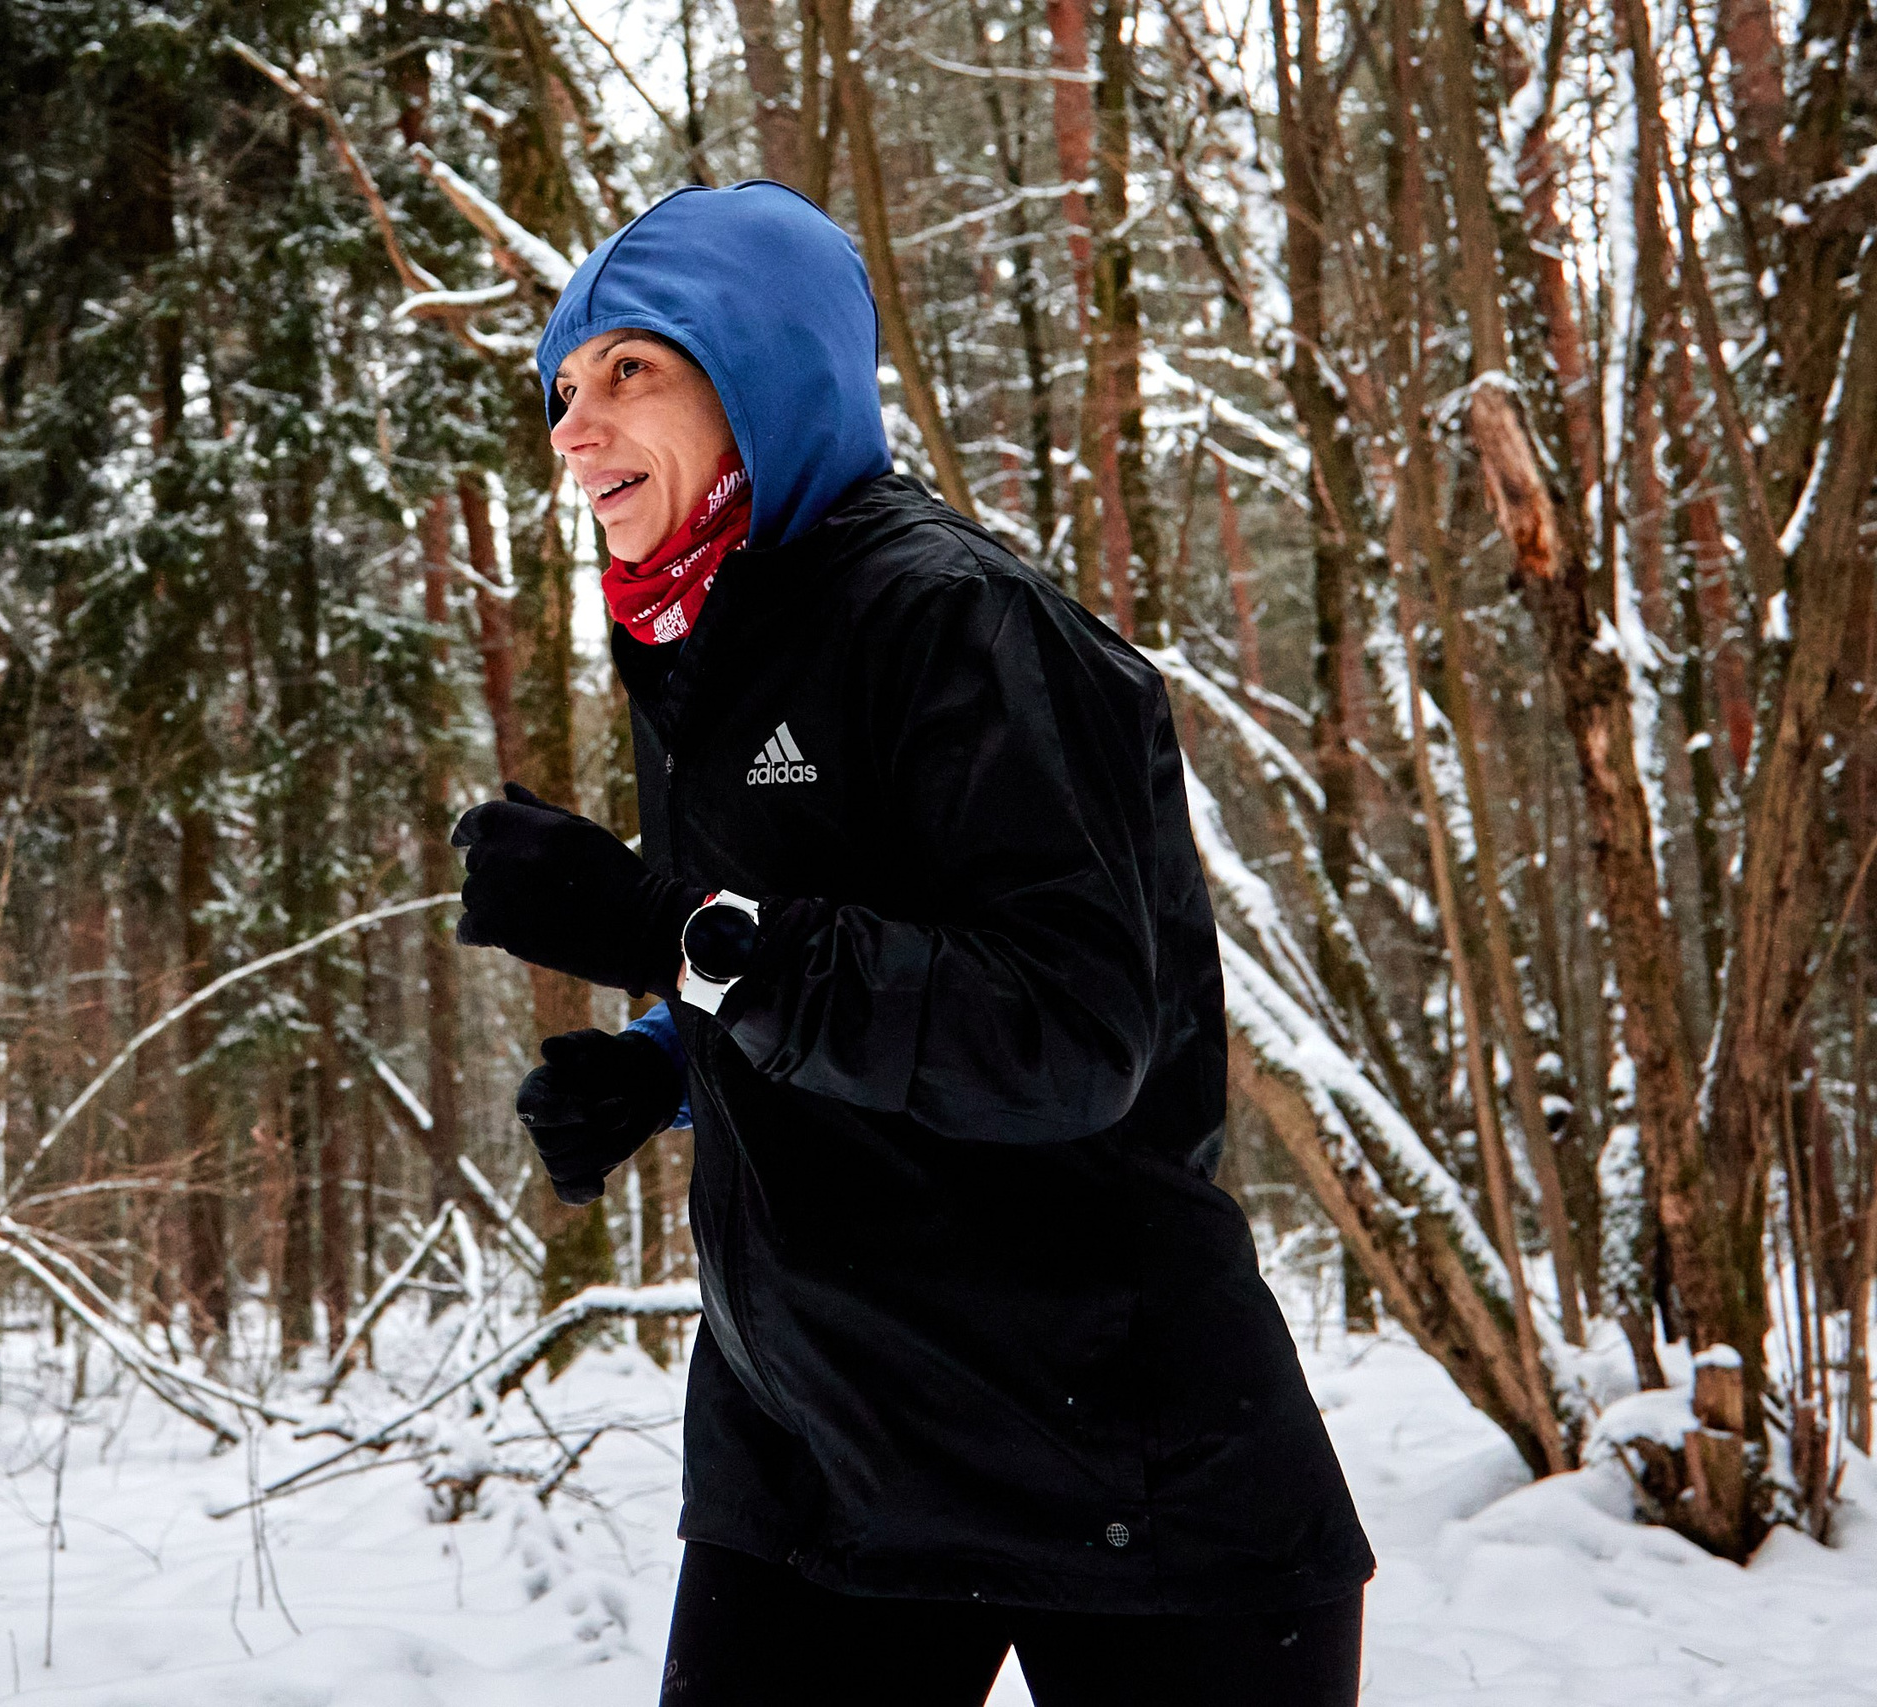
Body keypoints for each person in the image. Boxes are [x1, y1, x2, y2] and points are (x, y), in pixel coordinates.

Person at [449, 181, 1372, 1707]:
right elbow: (842, 944)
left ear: (765, 372)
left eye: (630, 371)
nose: (571, 429)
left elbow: (1064, 1036)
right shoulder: (705, 637)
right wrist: (668, 1063)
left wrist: (662, 931)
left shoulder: (967, 627)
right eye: (564, 387)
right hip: (812, 1451)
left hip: (1109, 1452)